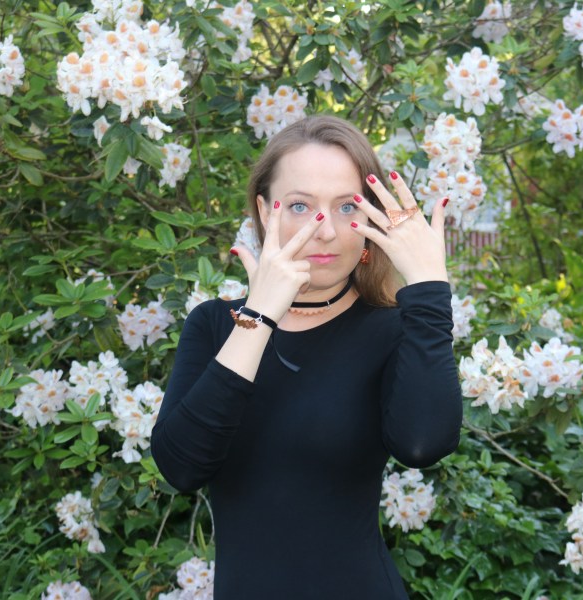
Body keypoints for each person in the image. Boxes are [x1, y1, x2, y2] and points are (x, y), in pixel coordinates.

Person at [151, 115, 462, 599]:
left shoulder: (394, 330)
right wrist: (258, 316)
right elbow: (182, 467)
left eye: (347, 206)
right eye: (300, 205)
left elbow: (423, 444)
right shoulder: (214, 325)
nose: (326, 231)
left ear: (372, 217)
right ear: (263, 210)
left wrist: (428, 290)